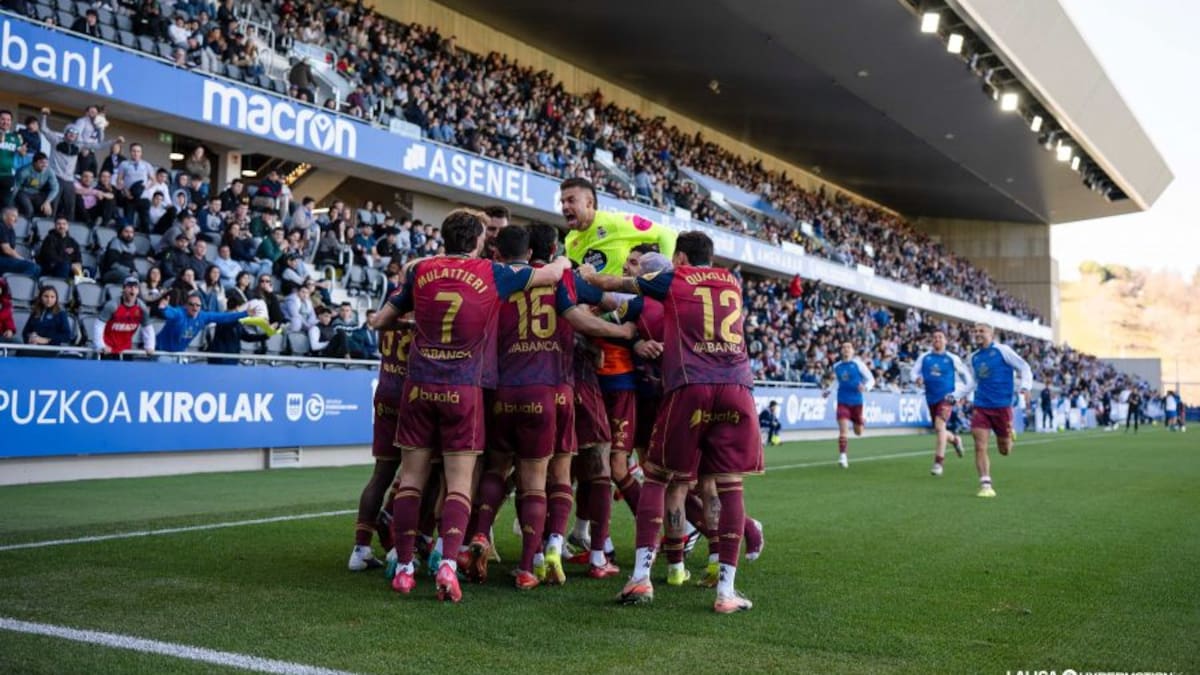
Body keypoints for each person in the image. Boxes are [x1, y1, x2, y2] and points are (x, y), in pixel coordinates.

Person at [370, 208, 570, 603]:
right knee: (460, 482)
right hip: (464, 388)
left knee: (411, 479)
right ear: (478, 240)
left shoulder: (421, 270)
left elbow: (379, 321)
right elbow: (550, 274)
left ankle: (405, 568)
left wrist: (414, 325)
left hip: (419, 385)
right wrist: (562, 258)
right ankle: (447, 564)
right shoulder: (491, 272)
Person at [581, 230, 763, 614]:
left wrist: (588, 274)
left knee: (659, 477)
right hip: (737, 386)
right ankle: (726, 591)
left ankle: (641, 578)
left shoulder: (676, 277)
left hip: (691, 385)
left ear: (679, 257)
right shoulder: (730, 280)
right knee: (729, 487)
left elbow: (614, 283)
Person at [466, 224, 633, 589]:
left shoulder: (498, 280)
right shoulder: (565, 279)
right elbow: (607, 304)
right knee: (569, 473)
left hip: (503, 389)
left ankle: (476, 535)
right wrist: (626, 322)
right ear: (555, 248)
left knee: (497, 468)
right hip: (560, 387)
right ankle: (560, 553)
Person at [963, 323, 1032, 498]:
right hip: (981, 406)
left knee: (1005, 450)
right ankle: (986, 484)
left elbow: (1024, 367)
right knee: (980, 445)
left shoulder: (1003, 351)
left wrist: (1025, 387)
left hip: (1002, 407)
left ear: (991, 334)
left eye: (982, 331)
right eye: (975, 331)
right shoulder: (973, 358)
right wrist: (956, 395)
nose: (977, 334)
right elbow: (973, 382)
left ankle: (1010, 435)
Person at [560, 177, 675, 275]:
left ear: (589, 203)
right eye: (563, 202)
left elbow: (666, 235)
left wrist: (663, 277)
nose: (565, 207)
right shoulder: (570, 240)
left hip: (623, 299)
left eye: (571, 200)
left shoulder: (616, 222)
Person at [910, 330, 974, 476]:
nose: (937, 339)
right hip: (931, 398)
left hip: (948, 398)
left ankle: (938, 463)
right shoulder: (924, 357)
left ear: (945, 341)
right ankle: (956, 440)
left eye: (940, 337)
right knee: (940, 430)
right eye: (934, 337)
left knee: (939, 426)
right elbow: (914, 373)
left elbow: (967, 378)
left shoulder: (952, 358)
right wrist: (917, 379)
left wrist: (965, 395)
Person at [155, 291, 258, 356]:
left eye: (197, 305)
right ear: (186, 305)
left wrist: (244, 314)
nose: (194, 308)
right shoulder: (179, 313)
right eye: (191, 305)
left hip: (179, 353)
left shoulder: (203, 316)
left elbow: (224, 317)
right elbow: (170, 313)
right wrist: (164, 308)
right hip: (161, 351)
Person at [823, 341, 875, 468]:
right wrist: (828, 391)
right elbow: (837, 381)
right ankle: (843, 456)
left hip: (857, 402)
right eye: (844, 347)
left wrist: (866, 387)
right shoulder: (837, 366)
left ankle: (862, 421)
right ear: (841, 351)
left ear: (852, 351)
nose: (846, 349)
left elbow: (871, 379)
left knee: (858, 432)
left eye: (849, 347)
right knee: (843, 430)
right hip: (842, 401)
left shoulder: (858, 364)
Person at [94, 275, 156, 356]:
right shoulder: (112, 305)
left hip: (126, 350)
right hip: (107, 349)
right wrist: (101, 345)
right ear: (123, 289)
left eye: (135, 287)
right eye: (129, 286)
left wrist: (150, 346)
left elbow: (148, 327)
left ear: (138, 291)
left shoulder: (142, 308)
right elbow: (99, 325)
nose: (133, 289)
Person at [9, 152, 59, 219]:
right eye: (41, 163)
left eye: (46, 163)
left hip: (37, 193)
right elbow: (16, 187)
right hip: (24, 192)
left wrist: (47, 201)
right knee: (29, 210)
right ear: (34, 163)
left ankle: (38, 226)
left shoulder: (49, 171)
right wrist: (10, 204)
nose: (44, 165)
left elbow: (55, 188)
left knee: (47, 210)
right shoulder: (24, 172)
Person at [0, 206, 40, 276]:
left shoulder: (10, 229)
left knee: (38, 268)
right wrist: (22, 259)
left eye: (17, 216)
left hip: (7, 259)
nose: (16, 219)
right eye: (13, 216)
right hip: (1, 259)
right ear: (5, 216)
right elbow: (7, 250)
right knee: (31, 266)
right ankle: (21, 283)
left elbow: (12, 249)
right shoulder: (1, 227)